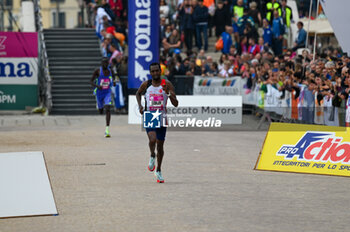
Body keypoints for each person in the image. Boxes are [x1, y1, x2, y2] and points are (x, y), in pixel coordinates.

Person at [136, 63, 179, 183]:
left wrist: (168, 93)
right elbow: (138, 93)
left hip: (162, 117)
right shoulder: (147, 84)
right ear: (150, 73)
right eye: (153, 71)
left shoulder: (167, 84)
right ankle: (151, 155)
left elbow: (176, 104)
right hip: (150, 115)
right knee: (152, 140)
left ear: (161, 71)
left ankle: (159, 170)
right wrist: (140, 105)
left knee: (160, 146)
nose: (155, 73)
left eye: (157, 71)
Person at [90, 57, 116, 137]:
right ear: (101, 64)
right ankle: (99, 106)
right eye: (103, 63)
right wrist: (97, 86)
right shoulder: (98, 71)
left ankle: (107, 129)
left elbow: (114, 79)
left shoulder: (110, 71)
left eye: (106, 63)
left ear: (108, 63)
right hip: (99, 93)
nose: (105, 64)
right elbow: (91, 81)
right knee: (101, 111)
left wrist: (114, 82)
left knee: (108, 108)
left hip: (107, 92)